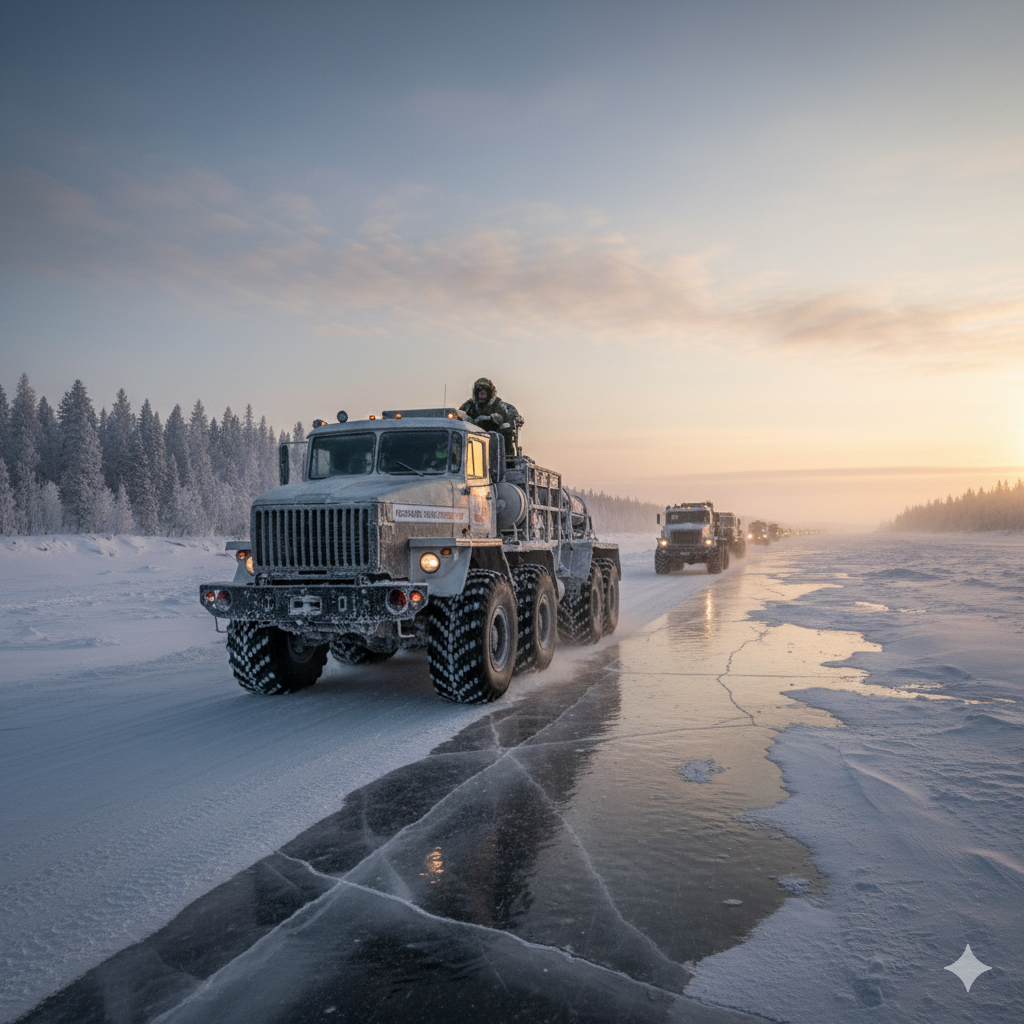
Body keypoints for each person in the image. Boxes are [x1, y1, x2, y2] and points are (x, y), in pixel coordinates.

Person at [459, 377, 523, 452]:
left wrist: (504, 422)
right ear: (475, 392)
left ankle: (507, 460)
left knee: (506, 430)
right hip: (472, 441)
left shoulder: (500, 406)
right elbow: (458, 415)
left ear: (490, 392)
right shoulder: (468, 406)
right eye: (479, 390)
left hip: (496, 443)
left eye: (485, 390)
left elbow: (514, 417)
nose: (482, 392)